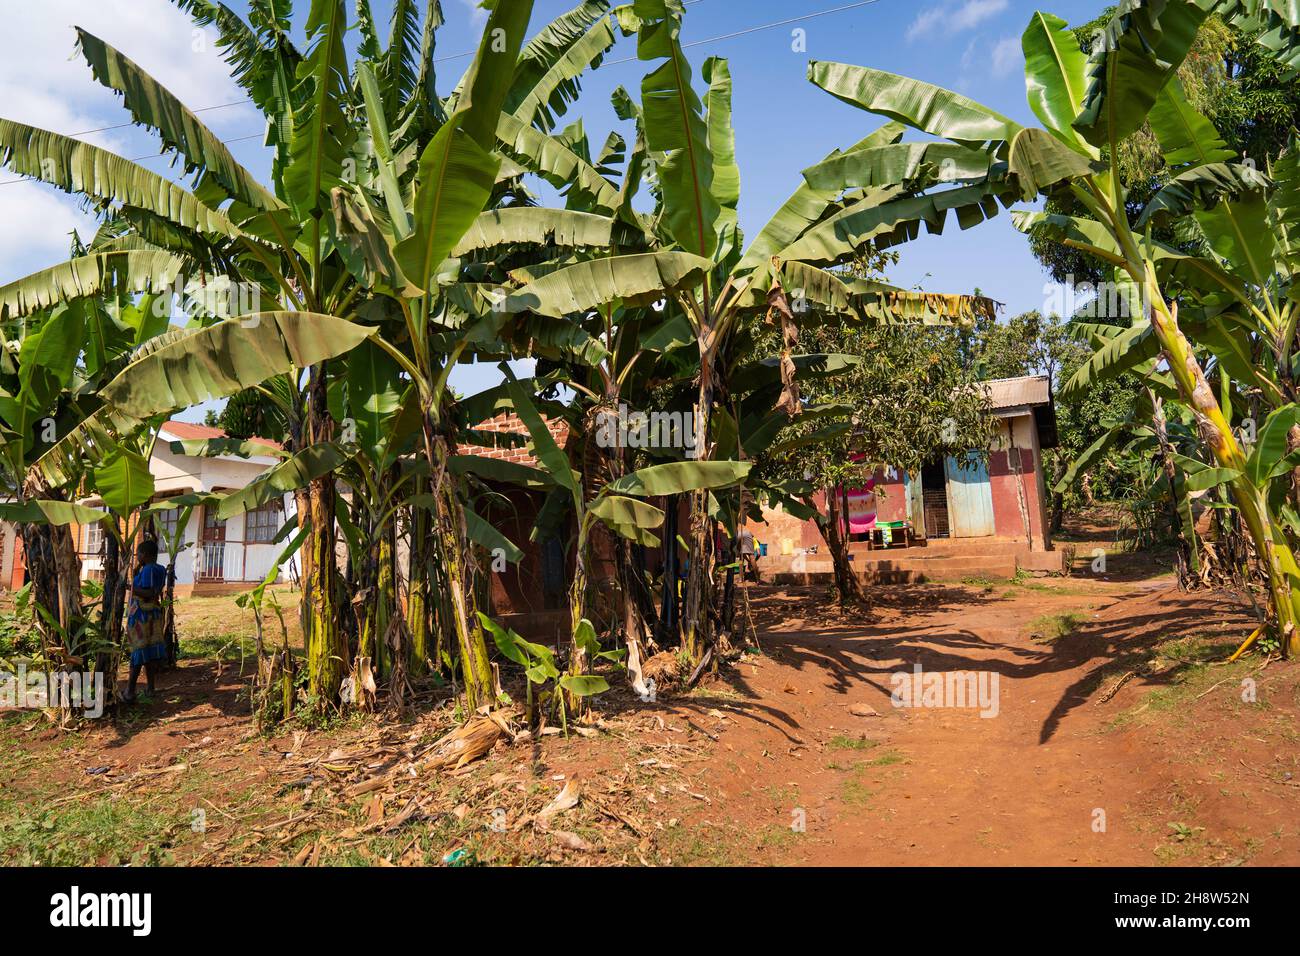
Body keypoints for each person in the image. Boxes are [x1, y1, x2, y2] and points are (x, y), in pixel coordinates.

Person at [122, 539, 169, 703]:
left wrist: (128, 587)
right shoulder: (160, 569)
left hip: (142, 615)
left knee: (139, 650)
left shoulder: (148, 569)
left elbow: (149, 593)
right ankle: (150, 688)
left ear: (145, 555)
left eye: (139, 554)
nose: (137, 557)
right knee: (148, 652)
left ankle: (129, 691)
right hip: (153, 614)